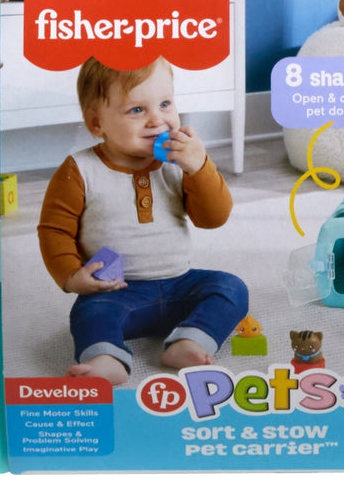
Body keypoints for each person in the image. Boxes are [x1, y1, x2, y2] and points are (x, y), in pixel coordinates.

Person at [38, 56, 247, 385]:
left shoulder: (180, 163)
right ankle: (105, 360)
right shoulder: (79, 170)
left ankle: (189, 341)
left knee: (231, 288)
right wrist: (72, 276)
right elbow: (55, 229)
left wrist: (200, 167)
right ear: (97, 123)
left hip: (181, 284)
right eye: (137, 110)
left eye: (165, 104)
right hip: (116, 291)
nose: (157, 120)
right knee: (89, 312)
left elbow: (213, 218)